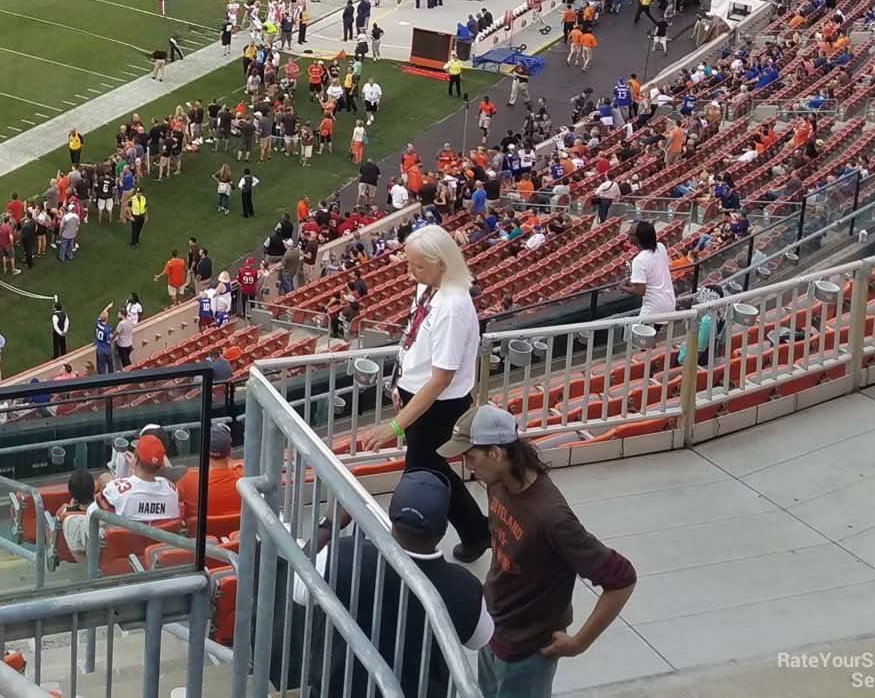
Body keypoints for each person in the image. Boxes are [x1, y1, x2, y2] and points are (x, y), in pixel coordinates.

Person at [454, 405, 637, 696]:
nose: (467, 466)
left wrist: (579, 643)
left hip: (527, 652)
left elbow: (622, 579)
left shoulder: (552, 517)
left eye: (470, 456)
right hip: (492, 630)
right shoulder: (497, 483)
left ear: (497, 454)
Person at [269, 471, 491, 698]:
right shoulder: (465, 587)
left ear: (392, 517)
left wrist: (328, 525)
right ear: (444, 528)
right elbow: (481, 638)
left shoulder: (344, 556)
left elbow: (298, 588)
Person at [380, 225, 491, 560]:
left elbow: (441, 378)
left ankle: (416, 539)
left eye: (417, 266)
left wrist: (396, 424)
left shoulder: (453, 306)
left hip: (438, 407)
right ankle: (476, 531)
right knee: (433, 469)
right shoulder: (428, 289)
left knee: (422, 472)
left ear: (442, 263)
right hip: (420, 399)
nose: (410, 272)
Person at [96, 432, 180, 526]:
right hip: (160, 540)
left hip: (128, 540)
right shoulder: (172, 490)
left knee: (105, 477)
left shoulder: (116, 490)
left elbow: (95, 510)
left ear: (135, 458)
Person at [176, 421, 244, 534]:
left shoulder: (189, 481)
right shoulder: (243, 481)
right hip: (237, 545)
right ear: (230, 452)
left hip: (202, 548)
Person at [621, 219, 677, 319]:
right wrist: (632, 282)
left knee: (633, 334)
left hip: (653, 309)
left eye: (630, 233)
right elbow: (652, 277)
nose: (628, 235)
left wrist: (622, 287)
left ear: (639, 237)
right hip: (669, 303)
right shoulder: (661, 247)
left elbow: (639, 291)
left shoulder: (639, 260)